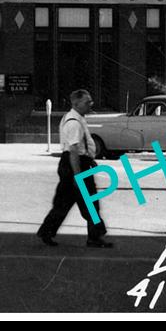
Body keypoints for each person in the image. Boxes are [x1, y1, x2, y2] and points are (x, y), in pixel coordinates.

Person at [37, 89, 113, 248]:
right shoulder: (73, 123)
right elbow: (73, 151)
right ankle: (94, 237)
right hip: (75, 165)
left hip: (76, 164)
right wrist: (78, 176)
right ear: (76, 104)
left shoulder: (76, 118)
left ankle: (47, 231)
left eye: (90, 101)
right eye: (87, 102)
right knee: (88, 202)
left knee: (64, 202)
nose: (90, 104)